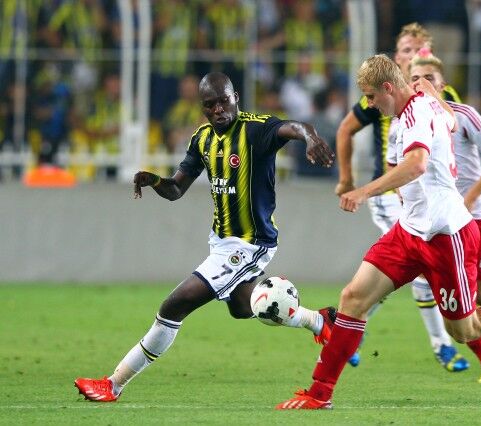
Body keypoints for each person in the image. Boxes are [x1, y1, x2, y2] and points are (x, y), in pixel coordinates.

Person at [276, 55, 481, 410]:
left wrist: (363, 191)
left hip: (447, 235)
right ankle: (319, 394)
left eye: (371, 96)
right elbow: (449, 120)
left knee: (466, 329)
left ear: (388, 88)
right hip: (410, 231)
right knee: (353, 298)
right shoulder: (417, 109)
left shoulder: (416, 113)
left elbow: (416, 165)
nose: (369, 104)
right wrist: (433, 93)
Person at [74, 72, 336, 402]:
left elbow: (294, 126)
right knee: (244, 306)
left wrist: (311, 138)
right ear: (203, 108)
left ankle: (113, 384)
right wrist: (155, 180)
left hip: (249, 243)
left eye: (223, 101)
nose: (218, 109)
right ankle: (320, 321)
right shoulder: (202, 139)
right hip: (221, 241)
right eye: (210, 105)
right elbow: (176, 189)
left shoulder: (256, 129)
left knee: (174, 306)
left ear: (235, 97)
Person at [335, 22, 468, 372]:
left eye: (418, 50)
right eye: (405, 50)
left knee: (403, 274)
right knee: (410, 272)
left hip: (431, 197)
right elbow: (346, 129)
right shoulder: (381, 90)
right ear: (396, 56)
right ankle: (441, 345)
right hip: (391, 192)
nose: (411, 56)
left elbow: (455, 132)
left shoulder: (438, 95)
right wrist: (347, 179)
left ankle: (353, 325)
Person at [409, 48, 481, 382]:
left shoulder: (464, 116)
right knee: (455, 296)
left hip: (477, 216)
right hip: (446, 222)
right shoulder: (409, 121)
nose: (421, 83)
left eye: (428, 78)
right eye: (414, 78)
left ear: (442, 84)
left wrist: (471, 196)